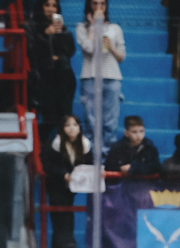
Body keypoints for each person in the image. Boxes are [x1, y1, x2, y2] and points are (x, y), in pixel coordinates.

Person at [40, 114, 90, 248]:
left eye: (75, 125)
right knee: (61, 214)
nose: (72, 128)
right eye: (67, 125)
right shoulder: (56, 144)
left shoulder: (85, 145)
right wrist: (64, 174)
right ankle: (67, 246)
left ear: (79, 128)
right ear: (62, 129)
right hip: (56, 184)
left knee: (67, 212)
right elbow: (48, 164)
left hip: (73, 186)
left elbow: (90, 164)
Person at [76, 0, 124, 151]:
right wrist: (92, 27)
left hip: (112, 77)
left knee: (110, 120)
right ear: (89, 5)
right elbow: (88, 49)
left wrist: (110, 47)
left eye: (102, 4)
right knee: (91, 120)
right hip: (90, 76)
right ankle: (91, 155)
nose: (99, 7)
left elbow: (121, 57)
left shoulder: (115, 28)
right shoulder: (81, 27)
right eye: (95, 3)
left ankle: (108, 156)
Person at [27, 0, 76, 146]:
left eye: (54, 6)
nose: (50, 9)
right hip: (44, 78)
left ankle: (62, 150)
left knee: (65, 118)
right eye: (47, 5)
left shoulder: (63, 29)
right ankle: (40, 145)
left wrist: (62, 34)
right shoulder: (31, 26)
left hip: (64, 77)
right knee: (50, 119)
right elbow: (31, 51)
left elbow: (69, 51)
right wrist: (44, 35)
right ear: (40, 6)